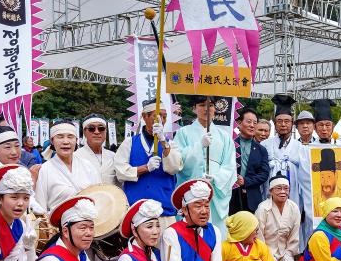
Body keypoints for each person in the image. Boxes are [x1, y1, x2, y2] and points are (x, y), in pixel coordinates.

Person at [172, 96, 236, 236]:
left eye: (211, 105)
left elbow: (230, 166)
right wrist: (199, 146)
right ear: (194, 108)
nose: (207, 109)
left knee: (215, 233)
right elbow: (178, 161)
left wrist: (216, 178)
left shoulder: (224, 136)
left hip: (215, 189)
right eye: (202, 105)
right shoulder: (183, 132)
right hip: (192, 184)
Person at [114, 99, 182, 228]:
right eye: (157, 116)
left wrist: (163, 141)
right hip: (137, 212)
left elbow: (174, 167)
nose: (161, 120)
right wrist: (146, 168)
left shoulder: (170, 144)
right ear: (145, 116)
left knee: (167, 247)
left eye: (164, 116)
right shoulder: (129, 143)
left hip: (165, 212)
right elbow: (120, 172)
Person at [263, 95, 313, 259]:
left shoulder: (301, 148)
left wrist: (306, 207)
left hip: (293, 199)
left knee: (292, 228)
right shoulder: (265, 146)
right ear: (275, 123)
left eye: (287, 121)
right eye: (279, 121)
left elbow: (306, 180)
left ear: (292, 124)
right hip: (268, 198)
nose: (283, 125)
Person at [34, 120, 101, 214]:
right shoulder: (45, 170)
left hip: (88, 225)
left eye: (70, 137)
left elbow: (99, 197)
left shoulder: (88, 166)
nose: (66, 141)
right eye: (60, 137)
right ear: (52, 141)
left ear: (76, 140)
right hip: (57, 226)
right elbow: (40, 208)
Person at [255, 173, 301, 261]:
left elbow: (294, 237)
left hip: (286, 253)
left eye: (286, 188)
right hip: (266, 253)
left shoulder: (294, 208)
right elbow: (259, 238)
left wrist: (288, 256)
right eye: (278, 188)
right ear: (270, 191)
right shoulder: (263, 209)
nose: (283, 192)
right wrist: (270, 258)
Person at [229, 107, 270, 215]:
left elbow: (264, 174)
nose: (252, 125)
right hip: (231, 196)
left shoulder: (261, 149)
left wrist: (246, 181)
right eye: (248, 122)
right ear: (239, 123)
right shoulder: (230, 144)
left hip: (252, 198)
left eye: (255, 123)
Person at [75, 114, 117, 185]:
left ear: (106, 131)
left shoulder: (113, 156)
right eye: (91, 128)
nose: (97, 132)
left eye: (101, 128)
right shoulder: (75, 157)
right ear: (84, 132)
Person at [312, 148, 341, 212]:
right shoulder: (315, 199)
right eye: (322, 177)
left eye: (329, 176)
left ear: (336, 176)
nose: (325, 181)